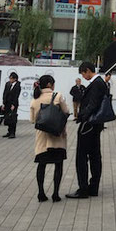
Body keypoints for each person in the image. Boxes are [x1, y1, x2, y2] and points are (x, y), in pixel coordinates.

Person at [67, 62, 107, 199]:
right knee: (95, 155)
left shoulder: (96, 84)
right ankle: (93, 187)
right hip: (95, 124)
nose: (83, 77)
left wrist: (81, 116)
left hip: (89, 124)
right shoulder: (100, 83)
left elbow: (93, 104)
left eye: (83, 74)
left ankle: (83, 188)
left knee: (82, 156)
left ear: (88, 71)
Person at [30, 75, 69, 203]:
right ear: (49, 84)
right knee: (58, 165)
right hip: (56, 137)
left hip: (42, 138)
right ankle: (55, 194)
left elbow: (32, 120)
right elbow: (66, 111)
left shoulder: (35, 99)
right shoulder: (58, 96)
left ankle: (41, 193)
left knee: (41, 166)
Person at [2, 72, 21, 139]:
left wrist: (14, 104)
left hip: (13, 104)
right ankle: (9, 131)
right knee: (7, 117)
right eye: (9, 78)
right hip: (7, 103)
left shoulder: (18, 85)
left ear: (15, 79)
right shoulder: (7, 84)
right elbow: (4, 93)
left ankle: (13, 133)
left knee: (12, 118)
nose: (10, 80)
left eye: (11, 78)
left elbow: (16, 96)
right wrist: (3, 103)